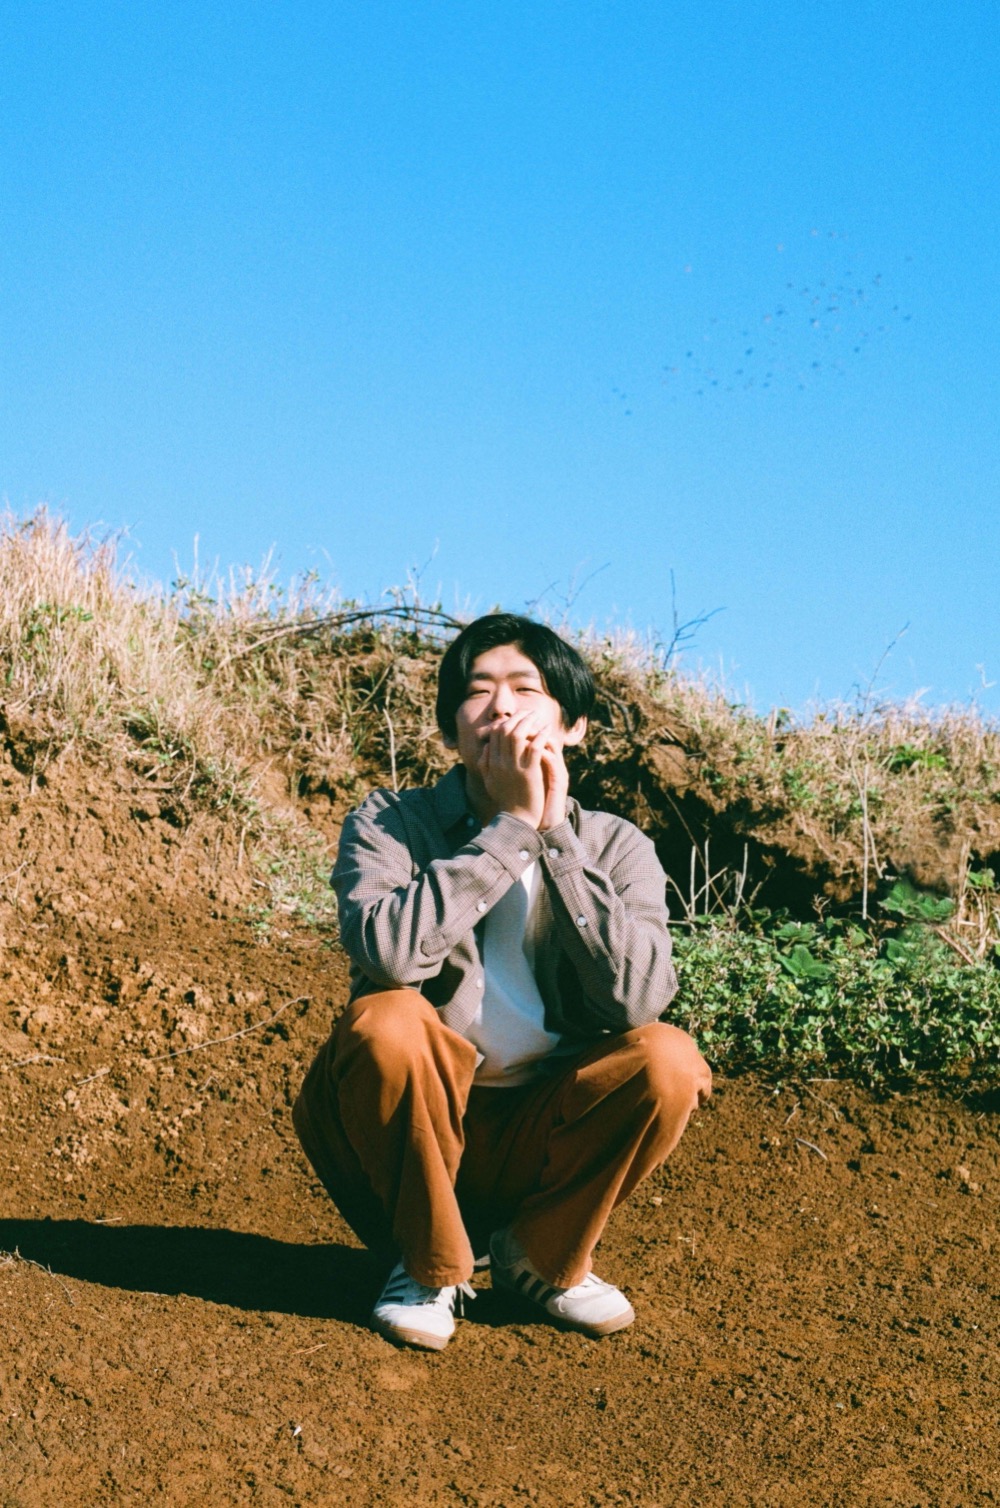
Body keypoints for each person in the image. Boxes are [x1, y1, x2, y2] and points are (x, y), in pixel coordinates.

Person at [293, 613, 711, 1351]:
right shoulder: (391, 822)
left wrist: (555, 840)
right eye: (478, 691)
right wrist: (510, 829)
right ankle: (427, 1265)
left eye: (525, 688)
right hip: (401, 1129)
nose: (501, 708)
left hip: (540, 1133)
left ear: (573, 726)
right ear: (451, 728)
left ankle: (541, 1258)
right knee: (387, 1021)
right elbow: (388, 957)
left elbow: (639, 998)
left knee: (669, 1058)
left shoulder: (616, 844)